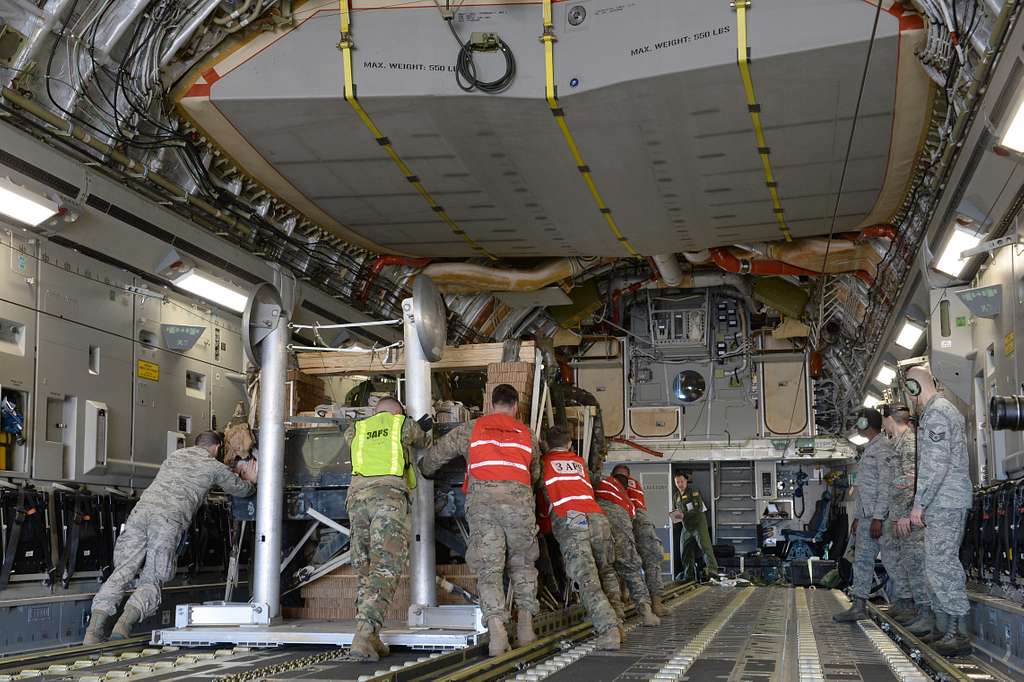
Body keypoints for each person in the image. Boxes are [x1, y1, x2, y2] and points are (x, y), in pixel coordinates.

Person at [83, 431, 257, 644]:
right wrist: (253, 479)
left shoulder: (174, 457)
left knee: (122, 572)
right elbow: (242, 490)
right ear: (217, 448)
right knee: (153, 577)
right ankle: (123, 626)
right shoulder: (214, 466)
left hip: (139, 514)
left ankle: (93, 632)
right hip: (167, 521)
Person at [419, 384, 541, 657]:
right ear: (516, 406)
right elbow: (535, 474)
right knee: (523, 563)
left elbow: (436, 455)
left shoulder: (471, 428)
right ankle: (526, 627)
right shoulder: (528, 434)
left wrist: (424, 470)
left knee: (489, 569)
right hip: (520, 504)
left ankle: (497, 632)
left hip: (483, 505)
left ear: (490, 403)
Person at [342, 397, 432, 662]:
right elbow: (424, 441)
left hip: (356, 501)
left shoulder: (356, 429)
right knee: (385, 567)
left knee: (365, 568)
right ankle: (364, 634)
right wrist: (422, 427)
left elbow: (350, 439)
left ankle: (371, 634)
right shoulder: (401, 425)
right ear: (398, 412)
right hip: (387, 499)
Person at [906, 366, 973, 656]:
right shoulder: (942, 410)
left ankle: (958, 634)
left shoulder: (936, 413)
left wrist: (918, 504)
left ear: (913, 388)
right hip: (944, 500)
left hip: (945, 501)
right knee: (937, 564)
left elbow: (935, 466)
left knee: (942, 565)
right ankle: (945, 628)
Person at [539, 427, 621, 650]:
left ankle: (609, 629)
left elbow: (542, 495)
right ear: (569, 445)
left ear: (546, 445)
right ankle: (617, 618)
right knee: (606, 570)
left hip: (573, 517)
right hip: (596, 517)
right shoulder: (579, 462)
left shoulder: (543, 464)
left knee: (587, 578)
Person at [835, 407, 891, 622]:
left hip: (880, 519)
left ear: (866, 423)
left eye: (859, 420)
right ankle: (859, 605)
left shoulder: (883, 448)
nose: (856, 423)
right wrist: (858, 518)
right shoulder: (869, 449)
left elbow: (885, 486)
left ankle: (911, 607)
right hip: (867, 518)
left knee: (894, 563)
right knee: (862, 561)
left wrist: (878, 517)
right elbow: (864, 489)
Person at [881, 404, 930, 632]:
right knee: (907, 562)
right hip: (900, 515)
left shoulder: (909, 443)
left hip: (909, 517)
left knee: (916, 563)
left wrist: (904, 515)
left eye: (884, 420)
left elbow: (912, 481)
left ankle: (925, 614)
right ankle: (911, 607)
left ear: (889, 419)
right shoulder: (898, 442)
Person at [594, 473, 660, 626]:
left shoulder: (600, 485)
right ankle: (646, 613)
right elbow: (631, 520)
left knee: (607, 571)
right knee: (631, 571)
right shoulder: (626, 501)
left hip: (598, 524)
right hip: (622, 535)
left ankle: (616, 615)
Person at [611, 464, 669, 616]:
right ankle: (655, 603)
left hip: (620, 520)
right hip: (640, 520)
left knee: (620, 561)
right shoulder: (635, 484)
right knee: (651, 561)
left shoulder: (608, 483)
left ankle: (623, 599)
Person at [670, 471, 719, 580]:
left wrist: (683, 514)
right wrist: (674, 516)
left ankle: (712, 571)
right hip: (686, 526)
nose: (679, 484)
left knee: (705, 547)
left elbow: (698, 508)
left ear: (686, 481)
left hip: (698, 524)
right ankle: (689, 575)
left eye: (681, 481)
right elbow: (676, 511)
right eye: (677, 482)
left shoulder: (693, 491)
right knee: (685, 551)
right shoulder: (676, 496)